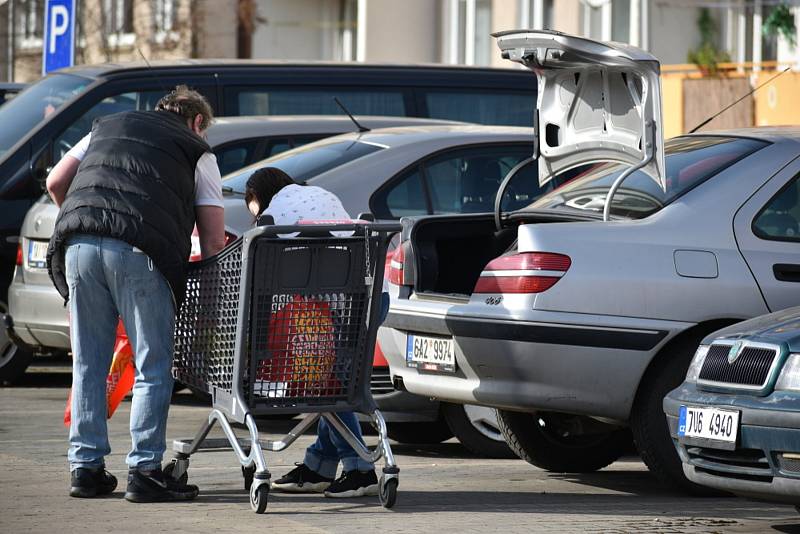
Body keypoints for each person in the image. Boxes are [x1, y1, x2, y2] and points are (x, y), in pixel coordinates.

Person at [45, 85, 226, 503]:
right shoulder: (196, 150)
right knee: (152, 364)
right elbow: (215, 240)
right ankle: (145, 470)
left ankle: (85, 469)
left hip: (77, 244)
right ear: (197, 122)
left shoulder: (104, 126)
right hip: (140, 253)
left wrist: (88, 218)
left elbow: (56, 181)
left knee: (90, 361)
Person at [244, 167, 379, 498]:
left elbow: (269, 273)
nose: (258, 217)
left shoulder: (275, 213)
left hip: (320, 311)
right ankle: (319, 465)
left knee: (330, 387)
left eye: (255, 211)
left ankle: (360, 469)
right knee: (333, 385)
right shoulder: (323, 196)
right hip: (363, 299)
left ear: (261, 198)